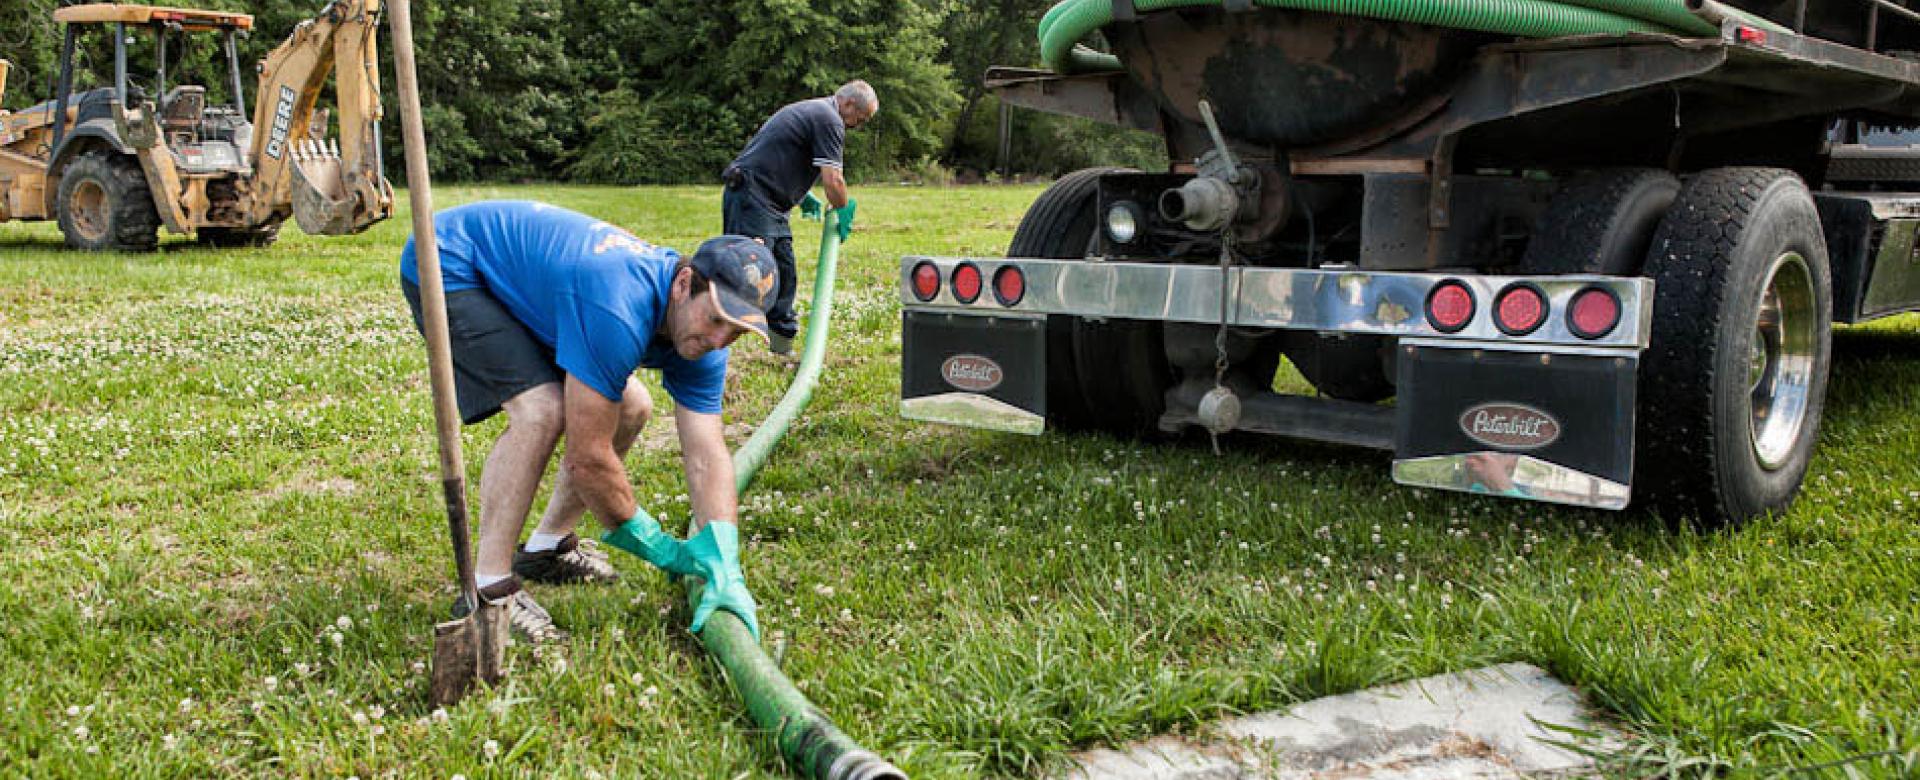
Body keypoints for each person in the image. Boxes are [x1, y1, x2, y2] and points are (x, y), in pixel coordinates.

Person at [399, 200, 772, 643]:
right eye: (714, 320)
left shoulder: (706, 337)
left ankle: (545, 548)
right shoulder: (618, 305)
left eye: (734, 330)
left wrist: (723, 553)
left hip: (540, 285)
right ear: (684, 284)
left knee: (632, 407)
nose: (718, 340)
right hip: (452, 259)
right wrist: (655, 544)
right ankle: (488, 589)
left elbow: (708, 453)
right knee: (541, 411)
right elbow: (587, 459)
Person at [722, 80, 878, 353]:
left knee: (783, 274)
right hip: (752, 197)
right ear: (849, 104)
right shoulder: (829, 119)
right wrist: (842, 209)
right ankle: (713, 342)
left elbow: (778, 152)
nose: (857, 125)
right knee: (748, 273)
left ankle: (781, 350)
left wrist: (802, 196)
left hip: (772, 203)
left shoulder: (814, 112)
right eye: (860, 119)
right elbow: (834, 179)